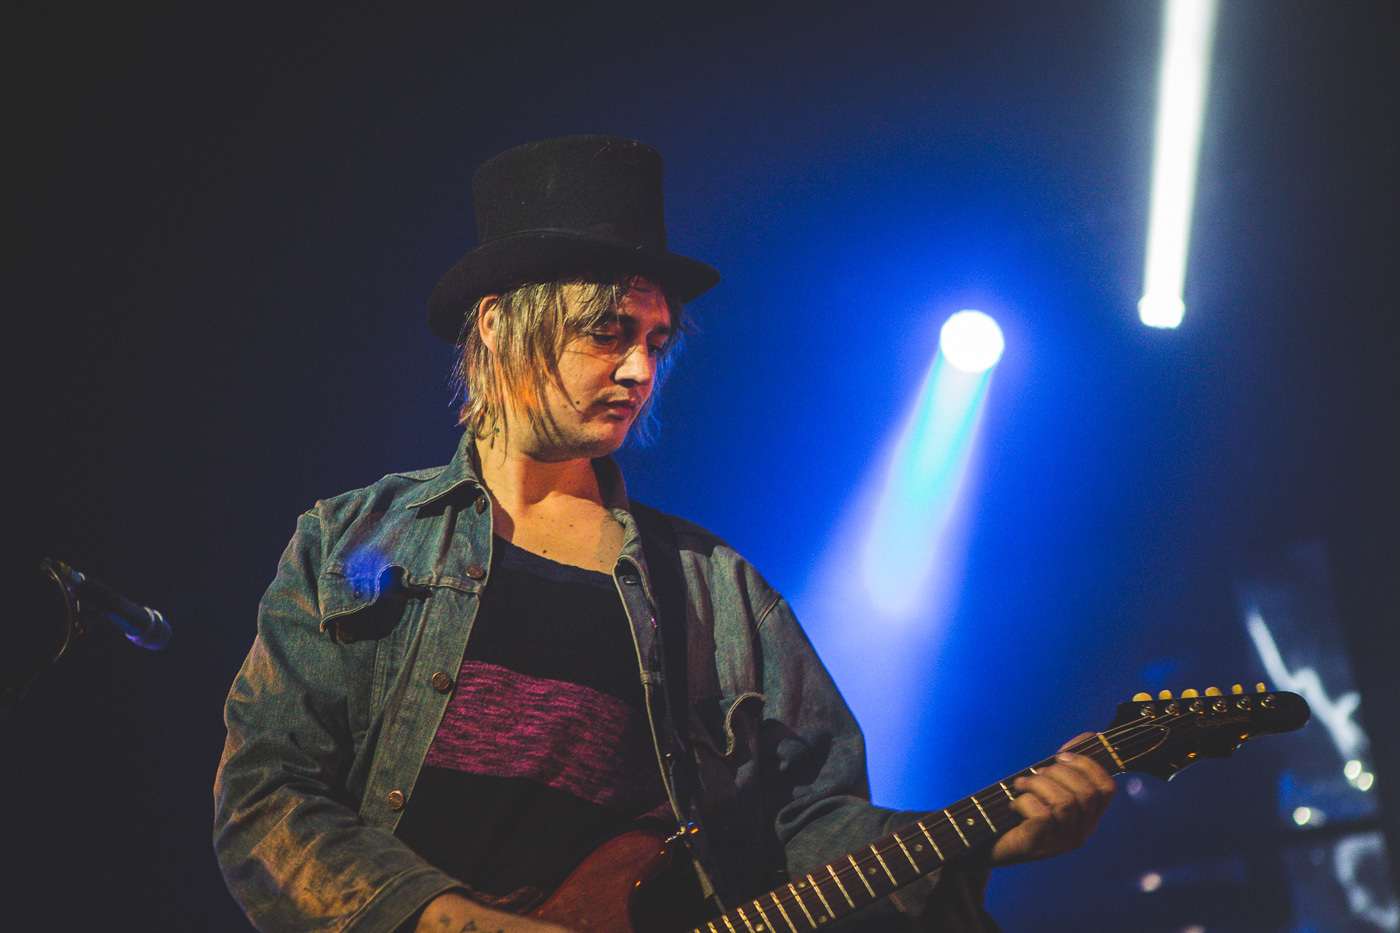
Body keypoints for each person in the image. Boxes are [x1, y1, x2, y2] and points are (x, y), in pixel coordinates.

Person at [213, 136, 1115, 933]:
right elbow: (266, 798)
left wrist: (983, 840)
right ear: (497, 325)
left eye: (657, 338)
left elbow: (809, 826)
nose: (641, 367)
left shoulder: (717, 592)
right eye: (608, 333)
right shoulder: (349, 537)